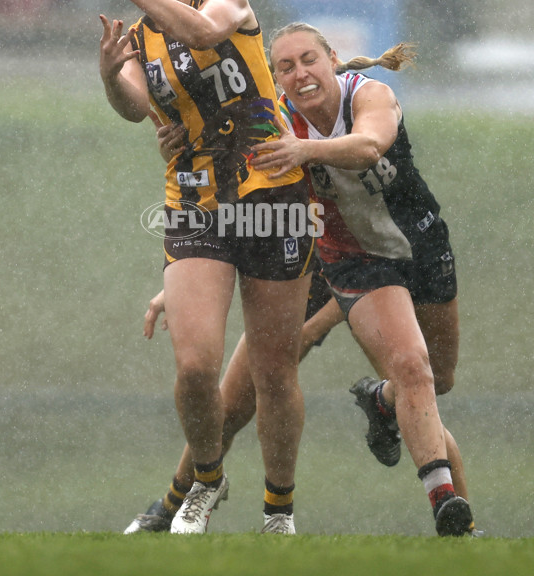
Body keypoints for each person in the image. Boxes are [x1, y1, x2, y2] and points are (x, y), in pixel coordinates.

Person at [123, 32, 478, 537]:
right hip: (329, 259)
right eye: (285, 67)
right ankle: (175, 501)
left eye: (309, 60)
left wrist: (304, 149)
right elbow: (235, 197)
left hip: (416, 248)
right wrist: (190, 274)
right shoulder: (273, 120)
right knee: (246, 385)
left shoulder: (367, 95)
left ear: (332, 60)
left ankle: (384, 404)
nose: (300, 74)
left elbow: (369, 146)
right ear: (275, 78)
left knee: (429, 384)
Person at [93, 0, 316, 535]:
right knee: (195, 367)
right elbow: (136, 107)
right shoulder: (140, 36)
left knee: (274, 370)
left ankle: (279, 510)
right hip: (195, 204)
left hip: (272, 197)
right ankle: (209, 480)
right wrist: (111, 74)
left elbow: (205, 32)